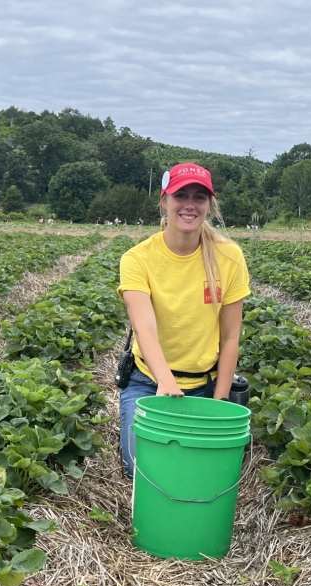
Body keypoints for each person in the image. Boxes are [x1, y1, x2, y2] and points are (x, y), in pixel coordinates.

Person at [117, 163, 250, 475]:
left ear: (209, 205)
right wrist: (164, 380)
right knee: (140, 468)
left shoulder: (229, 257)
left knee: (208, 469)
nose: (190, 204)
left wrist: (219, 402)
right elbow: (144, 326)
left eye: (200, 197)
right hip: (149, 382)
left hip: (206, 383)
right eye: (181, 195)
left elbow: (230, 336)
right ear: (164, 201)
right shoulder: (137, 259)